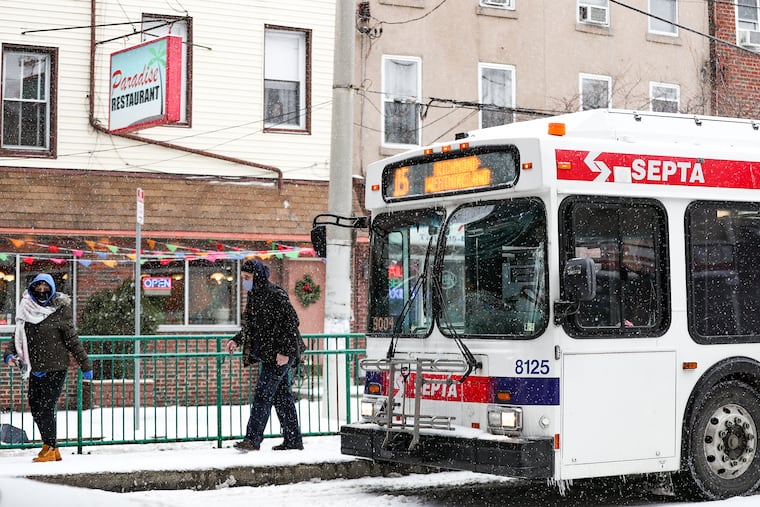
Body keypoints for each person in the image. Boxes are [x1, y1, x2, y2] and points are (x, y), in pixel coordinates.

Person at [3, 273, 92, 462]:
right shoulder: (26, 308)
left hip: (55, 367)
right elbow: (18, 335)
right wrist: (9, 354)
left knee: (46, 407)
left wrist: (85, 364)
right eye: (38, 287)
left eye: (46, 288)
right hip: (35, 367)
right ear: (32, 288)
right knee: (35, 406)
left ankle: (51, 447)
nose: (42, 291)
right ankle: (50, 446)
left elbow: (72, 341)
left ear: (51, 289)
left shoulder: (60, 310)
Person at [225, 260, 306, 451]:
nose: (245, 282)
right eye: (243, 278)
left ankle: (252, 440)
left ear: (258, 277)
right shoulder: (255, 296)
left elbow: (291, 322)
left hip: (282, 354)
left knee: (263, 394)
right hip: (271, 355)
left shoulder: (275, 295)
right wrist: (236, 340)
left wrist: (285, 352)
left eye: (247, 278)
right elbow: (251, 326)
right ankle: (293, 440)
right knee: (282, 398)